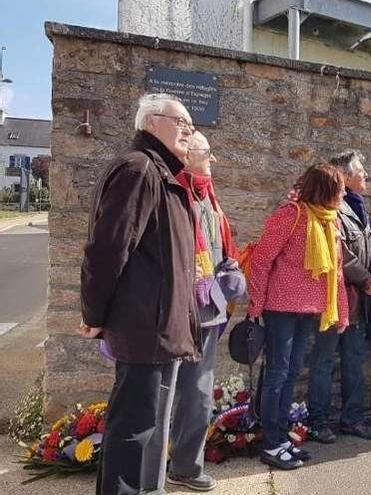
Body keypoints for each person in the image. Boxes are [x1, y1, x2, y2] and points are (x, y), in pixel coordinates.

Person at [79, 93, 198, 494]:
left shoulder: (161, 171)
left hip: (157, 325)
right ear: (150, 123)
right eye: (180, 121)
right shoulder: (140, 169)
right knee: (132, 430)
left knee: (141, 429)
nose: (188, 129)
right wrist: (94, 315)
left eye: (190, 124)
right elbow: (108, 249)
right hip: (144, 325)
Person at [247, 164, 349, 470]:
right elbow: (262, 260)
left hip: (309, 309)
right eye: (340, 189)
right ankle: (271, 443)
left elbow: (337, 272)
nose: (344, 194)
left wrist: (341, 311)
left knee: (291, 373)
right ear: (327, 190)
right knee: (277, 373)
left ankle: (280, 438)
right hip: (280, 308)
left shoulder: (331, 221)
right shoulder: (290, 215)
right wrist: (256, 305)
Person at [158, 131, 240, 492]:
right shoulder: (172, 190)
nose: (212, 160)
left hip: (208, 309)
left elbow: (222, 242)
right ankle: (150, 471)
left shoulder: (208, 194)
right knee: (163, 393)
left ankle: (186, 468)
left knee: (199, 393)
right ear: (190, 155)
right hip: (176, 310)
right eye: (207, 154)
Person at [308, 150, 371, 443]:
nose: (365, 175)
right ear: (346, 177)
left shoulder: (361, 207)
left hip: (359, 301)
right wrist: (366, 280)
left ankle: (353, 419)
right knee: (324, 361)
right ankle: (318, 422)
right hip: (334, 298)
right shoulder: (331, 208)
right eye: (360, 171)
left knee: (353, 360)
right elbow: (340, 252)